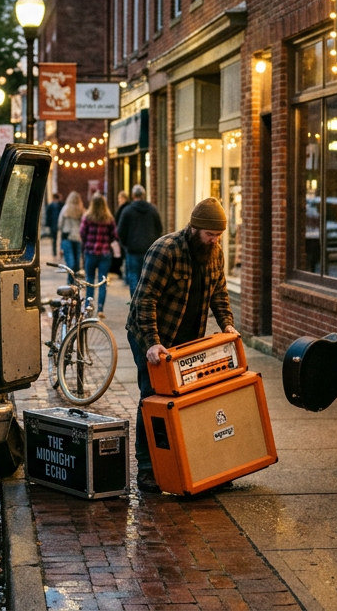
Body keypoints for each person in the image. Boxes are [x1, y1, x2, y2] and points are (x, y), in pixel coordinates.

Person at [126, 198, 237, 493]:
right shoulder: (166, 250)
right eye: (209, 235)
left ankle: (189, 461)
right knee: (152, 398)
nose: (214, 241)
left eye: (218, 236)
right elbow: (144, 298)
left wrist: (227, 323)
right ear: (194, 228)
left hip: (186, 341)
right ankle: (147, 468)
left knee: (187, 400)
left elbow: (220, 292)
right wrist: (152, 343)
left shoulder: (215, 253)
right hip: (150, 336)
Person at [116, 184, 163, 293]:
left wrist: (125, 245)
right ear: (144, 195)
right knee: (149, 279)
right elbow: (159, 228)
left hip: (133, 250)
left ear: (133, 195)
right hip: (150, 250)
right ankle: (146, 303)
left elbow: (120, 231)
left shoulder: (127, 211)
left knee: (134, 279)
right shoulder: (152, 210)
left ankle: (135, 305)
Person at [79, 193, 117, 316]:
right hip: (105, 254)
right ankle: (100, 308)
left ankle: (89, 307)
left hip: (90, 253)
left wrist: (87, 243)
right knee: (103, 281)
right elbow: (115, 235)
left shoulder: (87, 217)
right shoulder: (109, 218)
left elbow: (82, 233)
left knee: (89, 280)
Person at [57, 192, 84, 282]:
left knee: (70, 261)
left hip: (67, 237)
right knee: (77, 262)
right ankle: (74, 280)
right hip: (78, 238)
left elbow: (60, 224)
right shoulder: (82, 210)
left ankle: (70, 280)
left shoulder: (65, 209)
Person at [110, 190, 130, 277]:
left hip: (124, 236)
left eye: (121, 198)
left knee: (123, 255)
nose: (119, 200)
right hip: (124, 236)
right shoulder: (125, 208)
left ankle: (124, 274)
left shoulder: (124, 209)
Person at [44, 192, 64, 257]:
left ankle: (57, 251)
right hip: (55, 225)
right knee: (57, 239)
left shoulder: (53, 206)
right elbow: (48, 216)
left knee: (57, 239)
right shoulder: (53, 206)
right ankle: (56, 251)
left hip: (56, 225)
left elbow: (47, 216)